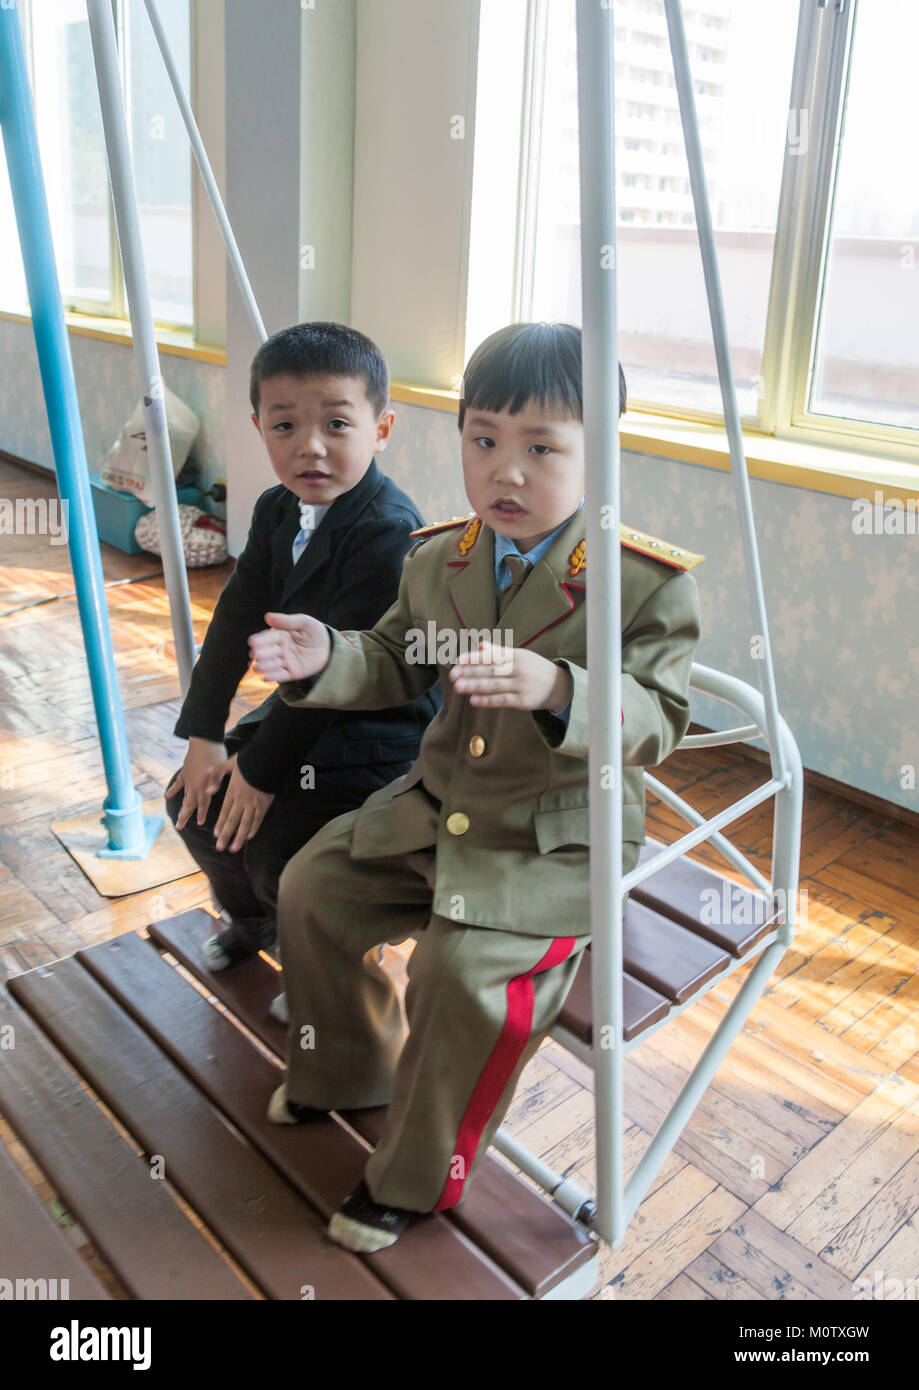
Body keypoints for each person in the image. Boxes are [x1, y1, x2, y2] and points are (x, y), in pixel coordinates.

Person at [248, 322, 703, 1252]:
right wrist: (323, 655)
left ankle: (416, 1179)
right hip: (436, 812)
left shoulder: (636, 584)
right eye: (484, 438)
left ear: (601, 457)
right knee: (311, 884)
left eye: (542, 447)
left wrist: (564, 689)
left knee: (454, 976)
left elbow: (657, 716)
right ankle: (345, 1071)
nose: (506, 471)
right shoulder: (439, 558)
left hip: (550, 845)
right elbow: (390, 658)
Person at [165, 322, 440, 974]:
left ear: (381, 429)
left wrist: (259, 773)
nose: (310, 447)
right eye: (285, 426)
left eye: (337, 425)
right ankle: (256, 925)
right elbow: (236, 616)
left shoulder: (388, 531)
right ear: (258, 427)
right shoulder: (274, 508)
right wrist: (204, 732)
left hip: (377, 731)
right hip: (298, 718)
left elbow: (345, 683)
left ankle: (326, 970)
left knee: (279, 852)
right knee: (192, 806)